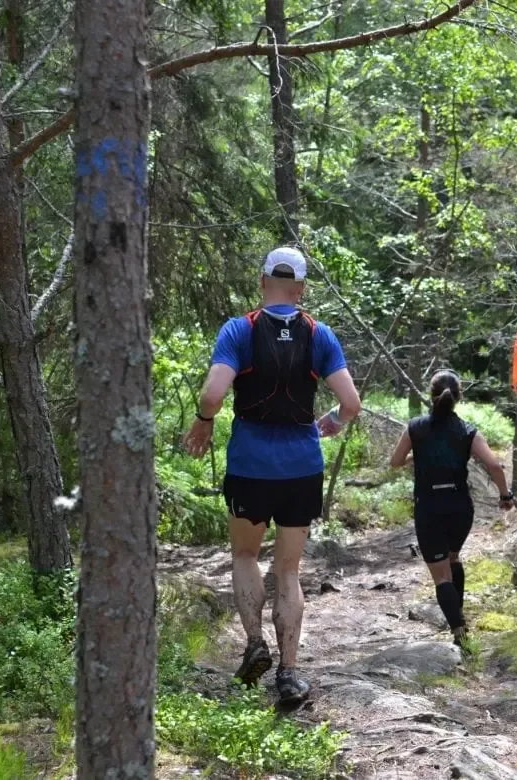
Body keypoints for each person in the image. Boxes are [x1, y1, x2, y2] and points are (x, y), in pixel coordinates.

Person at [183, 246, 361, 705]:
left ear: (263, 281)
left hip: (251, 465)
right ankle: (289, 672)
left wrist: (204, 421)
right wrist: (331, 425)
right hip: (302, 466)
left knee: (244, 556)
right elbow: (351, 404)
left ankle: (254, 644)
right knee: (288, 568)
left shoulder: (239, 330)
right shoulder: (320, 336)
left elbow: (214, 393)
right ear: (300, 288)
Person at [389, 370, 513, 645]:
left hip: (429, 507)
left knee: (440, 574)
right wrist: (506, 496)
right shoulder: (468, 431)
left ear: (429, 395)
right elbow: (494, 465)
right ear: (460, 396)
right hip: (460, 508)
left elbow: (396, 461)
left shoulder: (415, 427)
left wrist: (415, 459)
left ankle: (459, 632)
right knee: (453, 557)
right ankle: (459, 616)